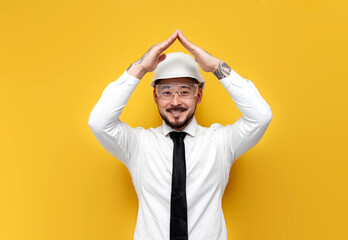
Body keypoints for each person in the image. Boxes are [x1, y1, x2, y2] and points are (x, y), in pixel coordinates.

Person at [88, 29, 273, 240]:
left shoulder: (220, 143)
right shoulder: (138, 145)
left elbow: (261, 116)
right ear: (155, 97)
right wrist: (139, 68)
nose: (175, 102)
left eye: (185, 91)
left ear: (199, 95)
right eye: (166, 92)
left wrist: (215, 67)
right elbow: (98, 122)